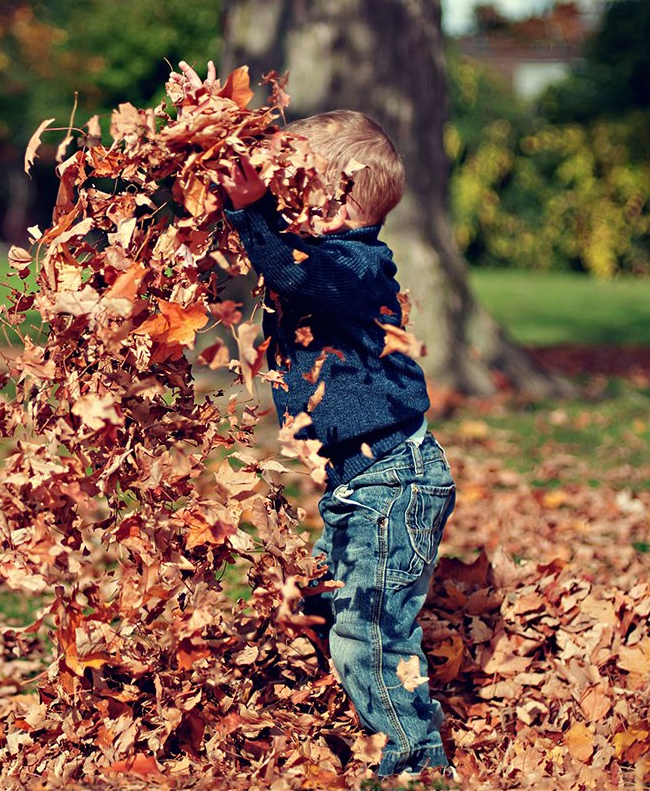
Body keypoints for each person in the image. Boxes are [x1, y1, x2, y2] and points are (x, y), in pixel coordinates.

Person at [179, 61, 457, 778]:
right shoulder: (324, 259)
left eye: (291, 183)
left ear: (332, 201)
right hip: (361, 482)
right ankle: (379, 724)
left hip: (394, 481)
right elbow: (282, 266)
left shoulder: (355, 266)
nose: (278, 195)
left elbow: (294, 270)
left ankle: (415, 763)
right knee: (339, 610)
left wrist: (251, 211)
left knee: (369, 633)